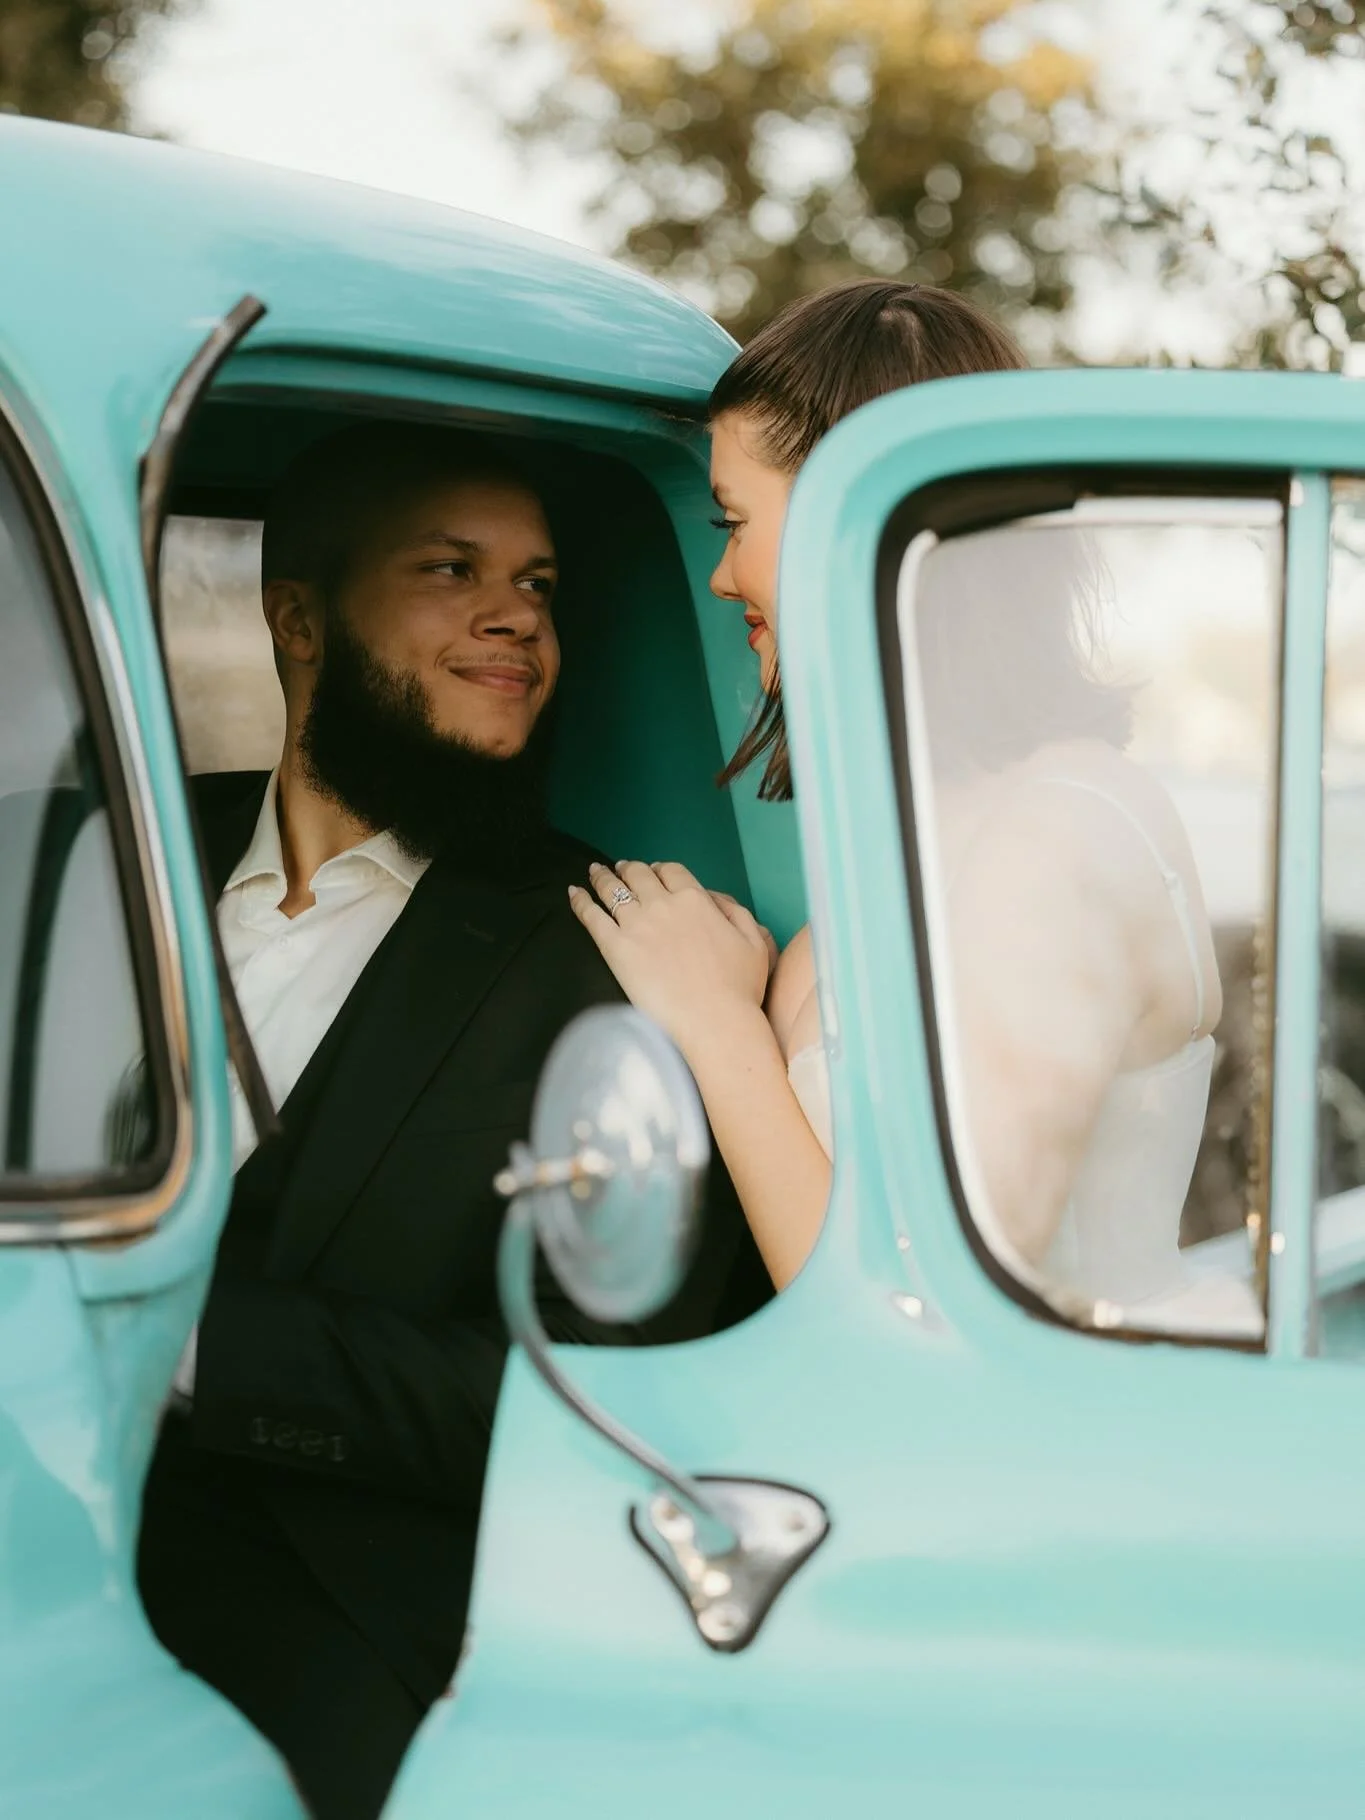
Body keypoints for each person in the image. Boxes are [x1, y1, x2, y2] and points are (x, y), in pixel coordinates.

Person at [136, 422, 752, 1820]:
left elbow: (610, 1392)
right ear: (298, 618)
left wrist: (176, 1346)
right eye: (450, 568)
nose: (515, 616)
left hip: (351, 1640)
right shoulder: (89, 843)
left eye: (538, 585)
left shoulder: (621, 948)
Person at [569, 278, 1222, 1313]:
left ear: (856, 522)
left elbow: (924, 1309)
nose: (723, 576)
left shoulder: (1062, 830)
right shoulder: (911, 837)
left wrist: (715, 1024)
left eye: (735, 522)